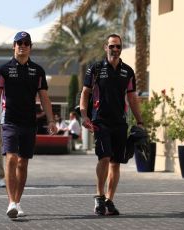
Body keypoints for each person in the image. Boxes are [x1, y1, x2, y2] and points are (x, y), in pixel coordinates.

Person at [0, 31, 57, 218]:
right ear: (13, 46)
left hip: (29, 123)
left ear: (30, 47)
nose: (22, 45)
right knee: (11, 158)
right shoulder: (3, 70)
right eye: (19, 42)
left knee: (23, 163)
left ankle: (17, 201)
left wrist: (51, 120)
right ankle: (10, 202)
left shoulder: (38, 71)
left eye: (26, 43)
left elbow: (44, 98)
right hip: (9, 122)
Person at [79, 34, 144, 216]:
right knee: (104, 158)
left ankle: (109, 200)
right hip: (100, 121)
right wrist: (84, 116)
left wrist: (140, 121)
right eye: (112, 46)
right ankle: (99, 197)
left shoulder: (128, 71)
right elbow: (85, 93)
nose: (115, 50)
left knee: (116, 163)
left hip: (120, 122)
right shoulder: (96, 69)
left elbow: (132, 97)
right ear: (105, 47)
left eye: (118, 47)